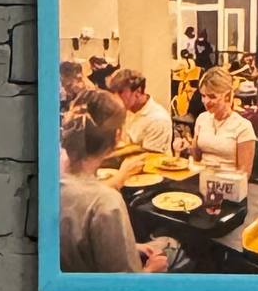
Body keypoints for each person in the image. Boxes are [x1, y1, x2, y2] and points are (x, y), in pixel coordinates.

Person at [57, 90, 177, 275]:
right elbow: (125, 283)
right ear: (117, 137)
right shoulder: (106, 202)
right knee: (172, 245)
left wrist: (131, 246)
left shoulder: (51, 179)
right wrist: (151, 270)